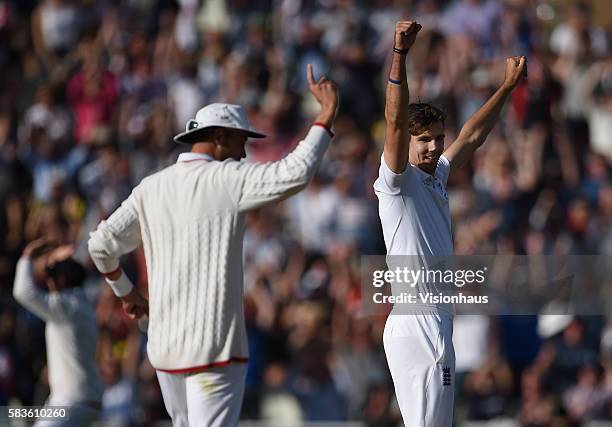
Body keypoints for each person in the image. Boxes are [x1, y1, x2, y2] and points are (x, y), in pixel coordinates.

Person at [87, 64, 338, 427]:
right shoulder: (225, 178)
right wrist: (326, 116)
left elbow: (100, 245)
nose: (243, 153)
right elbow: (294, 173)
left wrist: (126, 293)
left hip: (166, 352)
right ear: (218, 137)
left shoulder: (151, 188)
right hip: (214, 352)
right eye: (240, 141)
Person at [374, 21, 527, 427]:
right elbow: (393, 119)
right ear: (406, 142)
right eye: (423, 139)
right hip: (418, 318)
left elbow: (473, 136)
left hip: (435, 317)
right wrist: (400, 55)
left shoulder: (436, 176)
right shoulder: (396, 181)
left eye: (437, 138)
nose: (434, 145)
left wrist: (506, 88)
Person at [13, 239, 103, 426]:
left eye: (52, 277)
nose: (48, 281)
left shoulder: (66, 308)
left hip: (73, 400)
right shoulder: (80, 304)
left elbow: (23, 292)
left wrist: (27, 255)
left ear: (61, 281)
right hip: (79, 399)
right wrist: (55, 261)